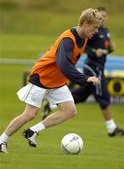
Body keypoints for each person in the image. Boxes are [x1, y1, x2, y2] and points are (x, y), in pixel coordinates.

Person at [0, 8, 102, 153]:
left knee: (70, 111)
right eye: (94, 27)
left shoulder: (85, 37)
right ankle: (1, 140)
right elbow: (64, 65)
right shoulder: (68, 40)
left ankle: (32, 131)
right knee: (30, 114)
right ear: (85, 24)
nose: (96, 31)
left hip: (57, 81)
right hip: (42, 78)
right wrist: (85, 78)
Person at [42, 7, 124, 137]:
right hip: (93, 67)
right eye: (100, 16)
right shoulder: (91, 31)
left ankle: (52, 105)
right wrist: (93, 52)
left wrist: (110, 49)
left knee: (83, 94)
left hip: (100, 66)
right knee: (103, 95)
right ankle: (111, 128)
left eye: (104, 16)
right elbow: (86, 47)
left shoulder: (105, 31)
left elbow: (104, 49)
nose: (102, 19)